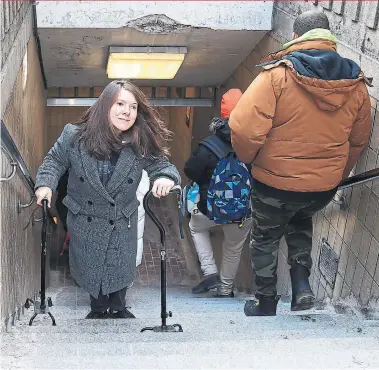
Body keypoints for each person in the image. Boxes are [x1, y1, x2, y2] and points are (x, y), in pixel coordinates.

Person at [229, 11, 372, 316]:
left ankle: (265, 302)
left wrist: (250, 160)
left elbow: (242, 128)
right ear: (329, 38)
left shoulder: (278, 75)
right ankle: (302, 290)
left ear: (295, 38)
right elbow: (358, 140)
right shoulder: (357, 82)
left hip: (275, 184)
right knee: (300, 221)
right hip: (321, 188)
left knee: (265, 238)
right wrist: (335, 174)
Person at [35, 80, 181, 319]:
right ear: (105, 106)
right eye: (120, 104)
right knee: (91, 269)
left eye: (133, 107)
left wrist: (164, 177)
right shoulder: (74, 136)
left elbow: (161, 164)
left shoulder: (138, 141)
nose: (127, 111)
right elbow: (54, 161)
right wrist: (45, 185)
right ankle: (99, 308)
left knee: (120, 265)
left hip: (121, 218)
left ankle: (119, 307)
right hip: (85, 217)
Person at [184, 89, 253, 298]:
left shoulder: (208, 146)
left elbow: (190, 170)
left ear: (222, 116)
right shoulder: (256, 143)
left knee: (196, 227)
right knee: (233, 248)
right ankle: (225, 290)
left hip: (209, 209)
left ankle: (210, 271)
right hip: (241, 212)